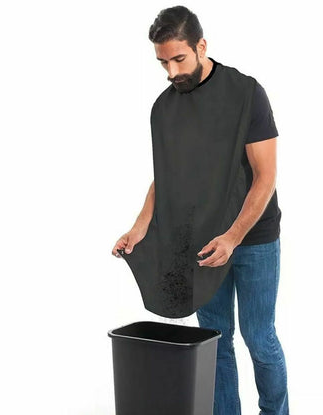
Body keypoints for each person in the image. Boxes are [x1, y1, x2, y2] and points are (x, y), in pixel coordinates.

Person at [112, 5, 289, 415]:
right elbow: (167, 177)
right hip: (203, 241)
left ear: (201, 46)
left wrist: (233, 237)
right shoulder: (164, 109)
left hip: (254, 238)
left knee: (260, 338)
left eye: (179, 58)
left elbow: (265, 177)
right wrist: (139, 227)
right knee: (215, 338)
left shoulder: (246, 94)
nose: (172, 72)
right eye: (163, 63)